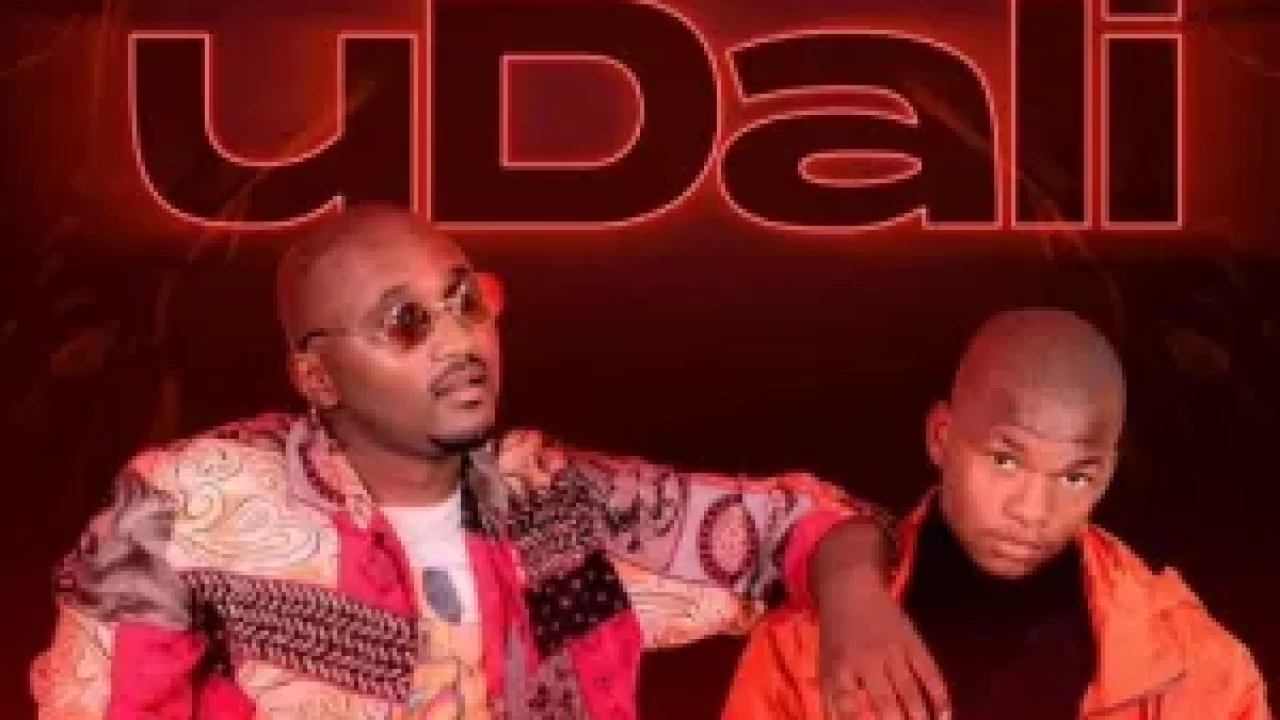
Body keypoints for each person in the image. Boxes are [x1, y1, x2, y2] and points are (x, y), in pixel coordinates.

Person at [31, 206, 949, 720]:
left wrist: (856, 601)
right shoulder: (192, 504)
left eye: (467, 300)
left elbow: (806, 522)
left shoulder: (560, 510)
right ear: (317, 375)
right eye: (406, 322)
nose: (460, 339)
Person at [722, 308, 1269, 720]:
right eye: (1006, 461)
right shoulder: (804, 649)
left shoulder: (1195, 663)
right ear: (941, 437)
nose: (1032, 511)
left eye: (1074, 477)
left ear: (1106, 474)